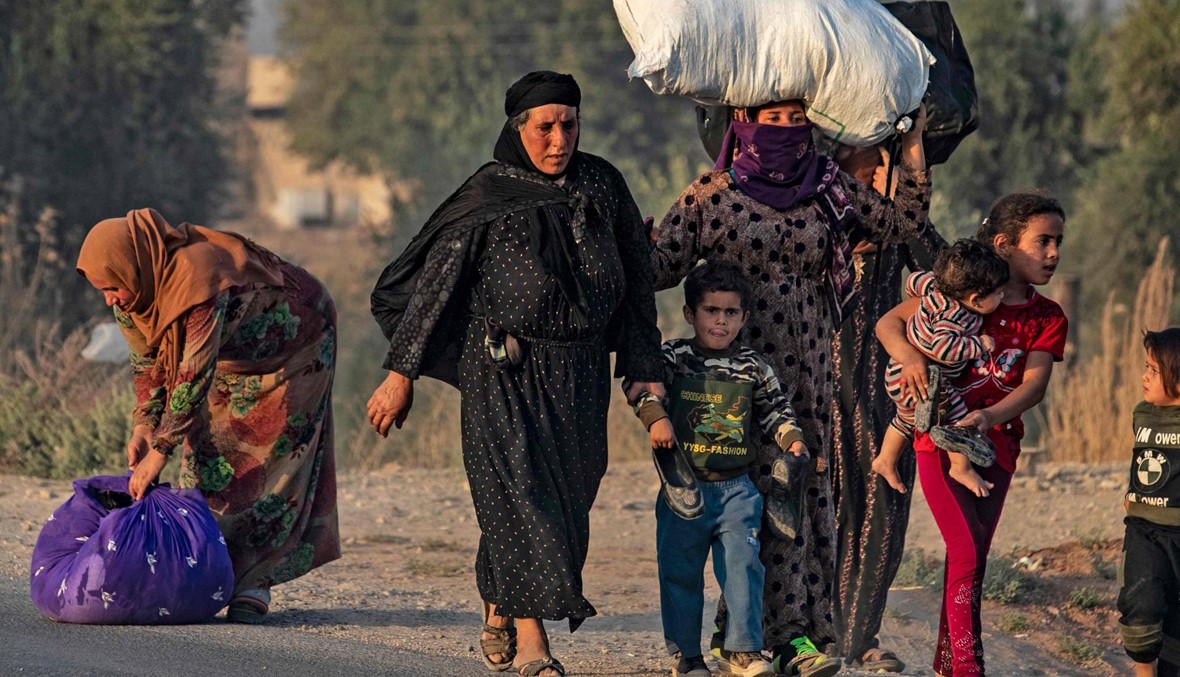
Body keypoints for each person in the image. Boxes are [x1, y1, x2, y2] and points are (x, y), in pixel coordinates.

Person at [366, 71, 663, 677]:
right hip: (503, 370)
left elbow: (636, 280)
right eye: (545, 127)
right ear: (518, 127)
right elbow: (435, 287)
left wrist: (642, 366)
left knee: (570, 500)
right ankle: (533, 644)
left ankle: (500, 599)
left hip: (580, 371)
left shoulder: (603, 183)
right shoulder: (489, 192)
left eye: (569, 125)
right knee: (522, 497)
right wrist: (401, 374)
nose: (559, 139)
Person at [652, 99, 932, 675]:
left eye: (794, 119)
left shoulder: (828, 188)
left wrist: (912, 145)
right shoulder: (710, 195)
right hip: (734, 386)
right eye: (770, 119)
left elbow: (903, 225)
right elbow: (658, 268)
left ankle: (780, 638)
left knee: (799, 500)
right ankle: (763, 639)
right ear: (742, 120)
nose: (783, 130)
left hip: (808, 377)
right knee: (752, 508)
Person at [76, 208, 341, 624]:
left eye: (112, 288)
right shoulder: (134, 293)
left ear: (133, 266)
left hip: (296, 344)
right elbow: (147, 364)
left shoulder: (199, 277)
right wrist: (144, 425)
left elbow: (193, 374)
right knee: (208, 456)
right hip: (231, 356)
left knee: (268, 458)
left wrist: (160, 451)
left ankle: (254, 582)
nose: (109, 299)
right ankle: (213, 571)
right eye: (103, 290)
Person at [876, 192, 1067, 677]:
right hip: (939, 438)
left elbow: (1034, 387)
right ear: (1004, 245)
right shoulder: (963, 292)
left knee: (973, 555)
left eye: (1058, 242)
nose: (1053, 253)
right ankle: (966, 666)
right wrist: (912, 358)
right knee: (964, 549)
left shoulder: (1047, 317)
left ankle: (947, 661)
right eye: (1042, 241)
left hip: (998, 446)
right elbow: (888, 324)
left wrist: (986, 418)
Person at [626, 260, 807, 677]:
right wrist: (656, 418)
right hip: (682, 490)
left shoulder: (753, 366)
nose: (720, 321)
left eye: (730, 312)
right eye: (711, 310)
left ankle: (743, 650)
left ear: (744, 317)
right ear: (690, 313)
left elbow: (776, 410)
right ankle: (687, 656)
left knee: (744, 567)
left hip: (737, 491)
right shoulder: (673, 357)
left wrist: (793, 440)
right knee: (679, 573)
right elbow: (639, 387)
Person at [828, 144, 946, 673]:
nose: (880, 176)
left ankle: (860, 636)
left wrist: (908, 196)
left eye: (887, 166)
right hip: (818, 389)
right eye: (871, 167)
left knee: (883, 509)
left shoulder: (900, 232)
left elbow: (949, 277)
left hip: (888, 395)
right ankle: (808, 634)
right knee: (818, 509)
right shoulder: (813, 220)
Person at [873, 239, 1009, 498]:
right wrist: (978, 345)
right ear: (976, 299)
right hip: (925, 377)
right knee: (957, 418)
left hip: (898, 373)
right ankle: (960, 468)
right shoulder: (955, 315)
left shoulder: (934, 288)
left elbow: (912, 281)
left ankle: (885, 459)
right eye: (998, 294)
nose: (1002, 297)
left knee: (905, 419)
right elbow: (943, 348)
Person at [1118, 328, 1180, 677]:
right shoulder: (1142, 413)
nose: (1144, 376)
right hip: (1143, 532)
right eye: (1146, 367)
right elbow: (1143, 460)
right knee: (1140, 604)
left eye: (1154, 371)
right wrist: (1133, 495)